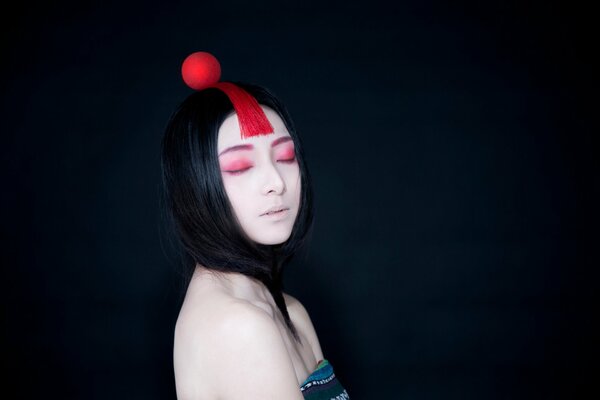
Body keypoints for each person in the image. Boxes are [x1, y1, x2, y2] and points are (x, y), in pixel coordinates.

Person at [160, 52, 350, 399]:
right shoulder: (238, 327)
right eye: (240, 165)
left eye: (285, 157)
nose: (275, 182)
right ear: (195, 186)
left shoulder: (289, 311)